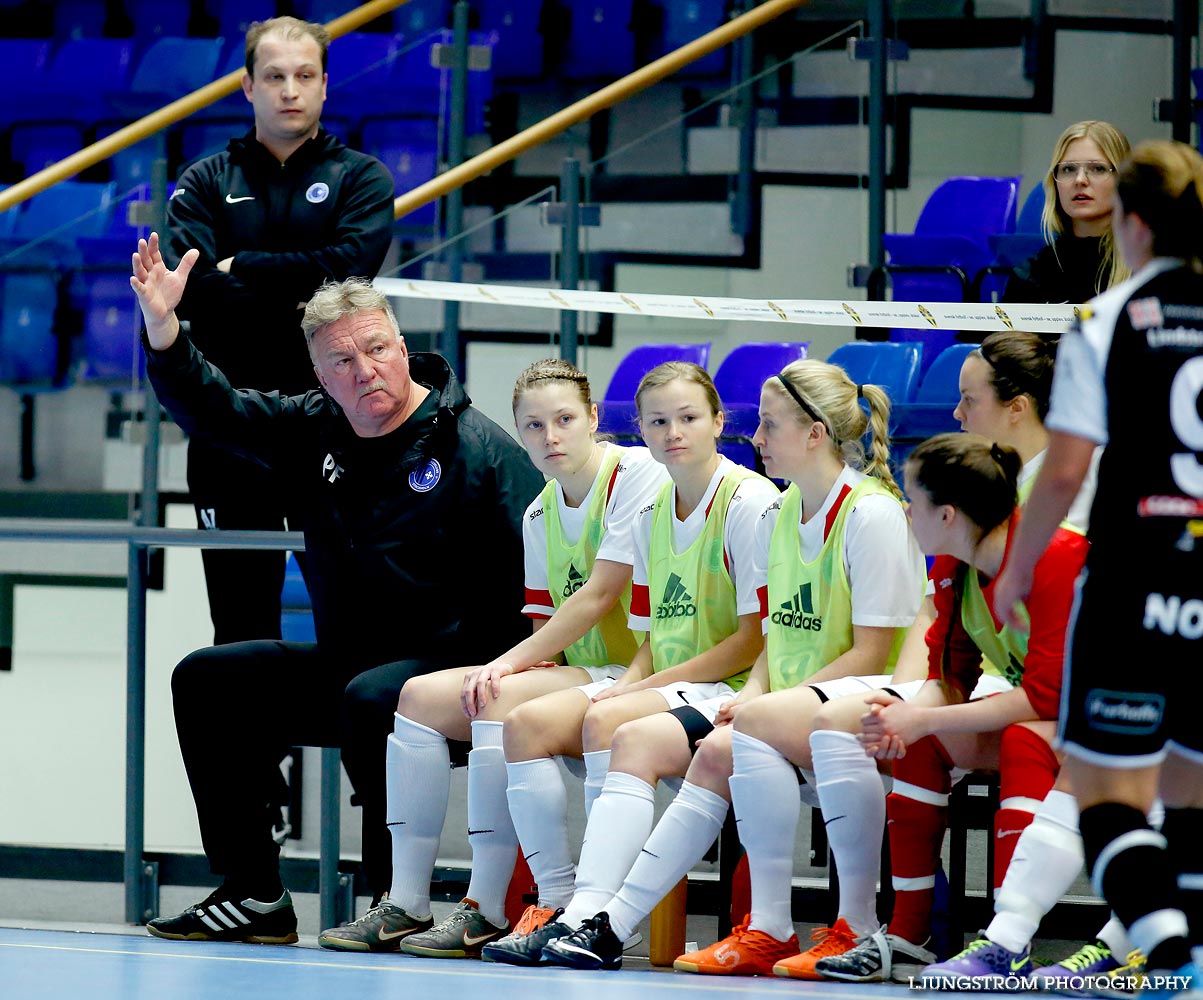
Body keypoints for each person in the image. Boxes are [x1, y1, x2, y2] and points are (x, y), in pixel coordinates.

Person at [128, 233, 543, 943]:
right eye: (341, 361)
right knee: (208, 679)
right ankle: (254, 893)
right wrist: (166, 330)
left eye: (376, 349)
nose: (365, 371)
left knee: (379, 696)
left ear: (402, 348)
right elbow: (215, 412)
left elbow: (544, 583)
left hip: (461, 674)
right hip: (348, 664)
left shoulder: (476, 450)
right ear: (319, 375)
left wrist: (513, 673)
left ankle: (395, 897)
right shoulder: (311, 429)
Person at [497, 359, 926, 973]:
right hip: (763, 693)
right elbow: (777, 636)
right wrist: (722, 691)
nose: (756, 439)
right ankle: (603, 919)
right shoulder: (771, 512)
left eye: (768, 426)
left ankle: (842, 929)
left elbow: (868, 651)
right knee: (606, 726)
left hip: (837, 693)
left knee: (659, 733)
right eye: (658, 421)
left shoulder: (832, 509)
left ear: (813, 432)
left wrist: (759, 697)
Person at [314, 358, 667, 954]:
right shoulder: (539, 512)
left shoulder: (635, 474)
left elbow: (602, 593)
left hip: (648, 669)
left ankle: (487, 901)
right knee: (418, 699)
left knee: (495, 698)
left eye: (564, 420)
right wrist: (514, 668)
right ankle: (406, 901)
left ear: (594, 419)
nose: (549, 437)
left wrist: (505, 664)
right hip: (583, 670)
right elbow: (541, 622)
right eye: (532, 426)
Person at [471, 361, 780, 967]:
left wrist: (641, 687)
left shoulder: (749, 500)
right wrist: (630, 684)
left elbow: (751, 641)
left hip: (736, 686)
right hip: (674, 682)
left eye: (688, 417)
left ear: (720, 421)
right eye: (659, 421)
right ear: (638, 428)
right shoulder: (650, 511)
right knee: (531, 721)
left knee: (611, 724)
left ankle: (598, 913)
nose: (673, 432)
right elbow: (653, 637)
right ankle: (562, 905)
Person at [995, 139, 1203, 997]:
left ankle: (1164, 946)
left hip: (1131, 577)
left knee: (1100, 789)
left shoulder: (1103, 317)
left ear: (1131, 220)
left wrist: (1016, 567)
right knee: (1188, 790)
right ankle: (1182, 954)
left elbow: (1069, 469)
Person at [804, 433, 1088, 984]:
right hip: (1059, 711)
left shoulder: (1052, 557)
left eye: (914, 500)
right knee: (922, 740)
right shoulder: (955, 567)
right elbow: (949, 679)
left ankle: (1009, 942)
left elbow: (1049, 697)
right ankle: (910, 935)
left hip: (1132, 714)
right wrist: (901, 711)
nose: (907, 511)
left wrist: (924, 715)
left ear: (949, 514)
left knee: (1023, 738)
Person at [164, 16, 395, 646]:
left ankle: (353, 744)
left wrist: (249, 266)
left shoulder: (363, 178)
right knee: (239, 626)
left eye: (303, 76)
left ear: (324, 85)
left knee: (356, 623)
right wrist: (301, 285)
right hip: (228, 427)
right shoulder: (205, 180)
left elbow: (348, 278)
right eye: (273, 76)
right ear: (247, 85)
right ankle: (261, 749)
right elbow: (193, 285)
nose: (289, 90)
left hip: (339, 425)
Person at [1002, 120, 1130, 308]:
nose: (1080, 180)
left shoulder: (1144, 270)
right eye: (1068, 169)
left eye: (1098, 169)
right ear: (1055, 183)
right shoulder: (1031, 274)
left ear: (1124, 179)